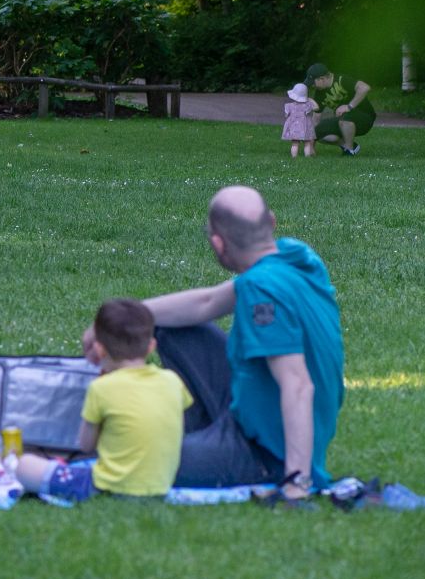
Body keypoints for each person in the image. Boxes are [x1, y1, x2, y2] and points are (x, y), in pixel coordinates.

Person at [138, 186, 346, 501]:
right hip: (244, 405)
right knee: (168, 325)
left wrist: (296, 482)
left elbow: (298, 385)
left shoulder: (261, 290)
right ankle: (198, 437)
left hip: (263, 453)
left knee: (135, 458)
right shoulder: (295, 255)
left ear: (217, 243)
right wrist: (121, 318)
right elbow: (206, 303)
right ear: (272, 223)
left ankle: (210, 449)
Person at [47, 298, 196, 502]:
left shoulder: (101, 388)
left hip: (109, 486)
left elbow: (86, 445)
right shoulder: (172, 381)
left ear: (100, 349)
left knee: (26, 466)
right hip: (161, 484)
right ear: (151, 346)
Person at [307, 62, 373, 156]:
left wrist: (349, 106)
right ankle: (349, 145)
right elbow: (315, 119)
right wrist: (311, 146)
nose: (312, 86)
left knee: (345, 118)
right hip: (343, 120)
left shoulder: (342, 79)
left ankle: (349, 151)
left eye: (313, 83)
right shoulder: (319, 93)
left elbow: (365, 88)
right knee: (318, 132)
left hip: (365, 117)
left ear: (322, 79)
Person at [282, 82, 318, 158]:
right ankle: (307, 157)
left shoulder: (289, 106)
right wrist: (310, 99)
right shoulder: (307, 106)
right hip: (305, 128)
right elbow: (316, 108)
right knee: (307, 143)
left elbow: (286, 115)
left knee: (295, 144)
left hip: (294, 128)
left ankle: (294, 157)